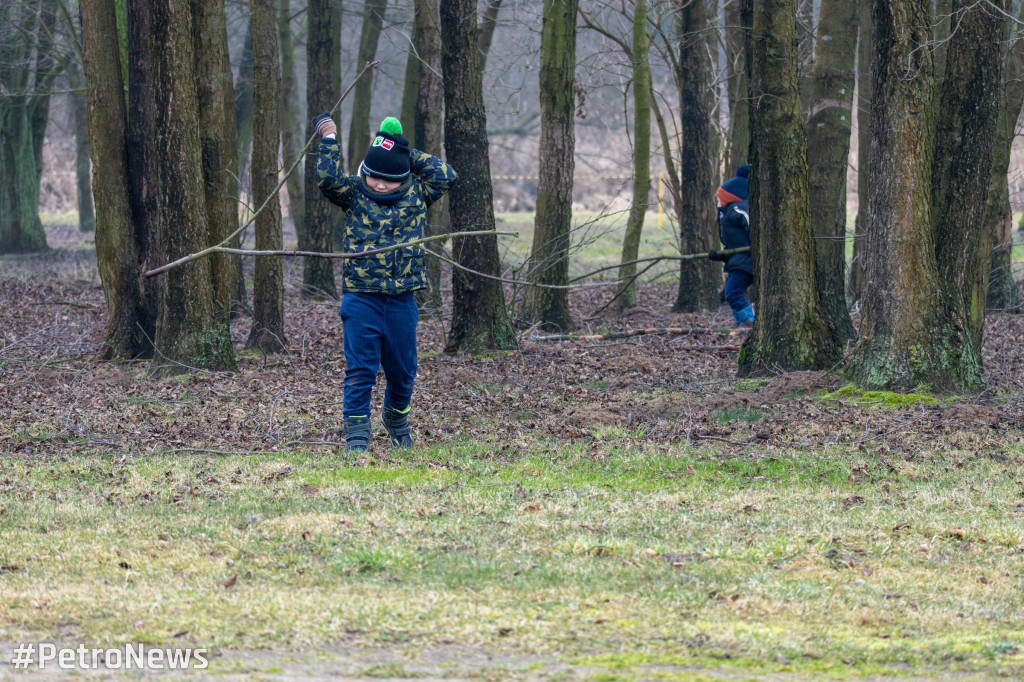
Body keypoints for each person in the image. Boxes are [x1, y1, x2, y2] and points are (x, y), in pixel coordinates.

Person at [312, 113, 458, 452]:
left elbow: (447, 174)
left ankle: (395, 417)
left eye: (388, 178)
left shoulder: (420, 193)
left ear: (404, 175)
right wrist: (329, 138)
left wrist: (401, 150)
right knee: (361, 369)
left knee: (404, 370)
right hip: (361, 298)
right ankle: (357, 435)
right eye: (373, 175)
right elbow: (327, 180)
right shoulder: (354, 194)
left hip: (402, 300)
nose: (379, 184)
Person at [708, 165, 754, 327]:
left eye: (721, 198)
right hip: (740, 260)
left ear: (730, 197)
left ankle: (749, 321)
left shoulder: (737, 208)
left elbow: (750, 224)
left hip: (746, 261)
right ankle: (741, 320)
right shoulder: (729, 212)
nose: (719, 202)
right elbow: (734, 245)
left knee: (732, 293)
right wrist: (719, 255)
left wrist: (754, 239)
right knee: (732, 293)